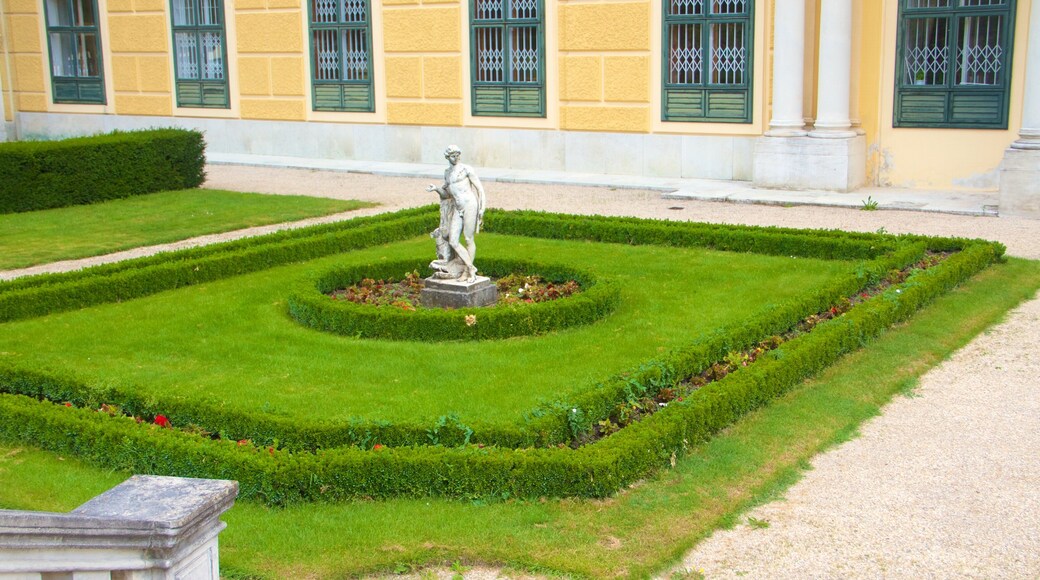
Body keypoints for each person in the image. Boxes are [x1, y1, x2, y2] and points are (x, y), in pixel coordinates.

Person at [425, 145, 486, 282]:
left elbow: (480, 189)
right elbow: (447, 195)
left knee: (469, 239)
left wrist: (482, 209)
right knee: (453, 241)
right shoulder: (447, 173)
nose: (456, 157)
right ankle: (471, 268)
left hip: (470, 204)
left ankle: (466, 271)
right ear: (447, 157)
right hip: (458, 207)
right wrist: (436, 189)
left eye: (457, 154)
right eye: (453, 155)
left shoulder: (466, 169)